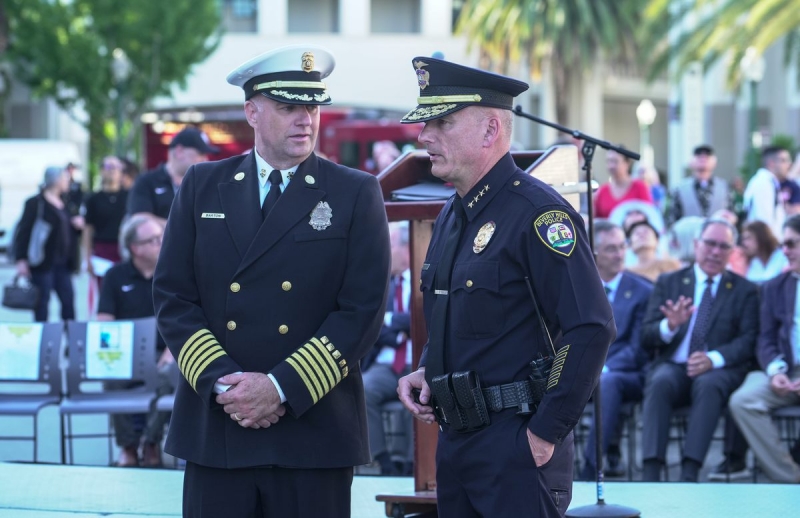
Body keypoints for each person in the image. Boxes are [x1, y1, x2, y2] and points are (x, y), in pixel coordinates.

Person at [152, 45, 391, 518]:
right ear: (252, 112)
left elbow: (362, 311)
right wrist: (227, 386)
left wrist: (280, 388)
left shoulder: (354, 191)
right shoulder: (202, 185)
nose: (305, 119)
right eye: (287, 107)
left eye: (312, 107)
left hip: (312, 427)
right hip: (219, 423)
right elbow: (173, 296)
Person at [395, 56, 614, 518]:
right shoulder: (452, 214)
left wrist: (544, 433)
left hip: (516, 444)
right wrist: (427, 368)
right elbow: (458, 316)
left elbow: (590, 327)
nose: (424, 136)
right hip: (457, 442)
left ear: (490, 129)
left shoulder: (539, 215)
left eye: (442, 123)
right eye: (426, 124)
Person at [639, 218, 759, 482]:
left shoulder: (745, 290)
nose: (715, 252)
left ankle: (690, 472)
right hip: (674, 366)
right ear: (696, 245)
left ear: (732, 251)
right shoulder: (669, 282)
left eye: (723, 246)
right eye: (710, 244)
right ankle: (651, 472)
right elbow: (646, 335)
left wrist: (713, 359)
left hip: (719, 370)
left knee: (708, 384)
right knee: (660, 381)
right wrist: (669, 326)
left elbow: (749, 340)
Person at [98, 215, 176, 468]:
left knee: (169, 375)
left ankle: (151, 442)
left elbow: (183, 318)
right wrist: (118, 355)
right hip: (126, 353)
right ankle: (128, 446)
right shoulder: (115, 276)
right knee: (111, 376)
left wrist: (171, 351)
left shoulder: (173, 274)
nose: (161, 243)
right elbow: (104, 321)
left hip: (164, 352)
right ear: (135, 248)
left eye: (162, 237)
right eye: (153, 240)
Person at [579, 221, 653, 481]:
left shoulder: (643, 292)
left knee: (607, 382)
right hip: (583, 372)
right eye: (612, 249)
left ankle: (590, 472)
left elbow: (638, 349)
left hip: (627, 375)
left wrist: (601, 368)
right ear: (594, 253)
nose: (620, 254)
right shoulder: (580, 288)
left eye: (623, 247)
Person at [729, 214, 800, 483]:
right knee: (743, 401)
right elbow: (765, 339)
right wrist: (775, 370)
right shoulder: (775, 287)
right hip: (786, 370)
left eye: (791, 244)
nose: (785, 251)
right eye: (783, 244)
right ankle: (791, 479)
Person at [363, 221, 412, 475]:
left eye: (390, 245)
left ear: (407, 248)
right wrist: (397, 334)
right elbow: (370, 323)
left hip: (416, 362)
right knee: (363, 389)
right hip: (385, 364)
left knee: (423, 391)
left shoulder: (424, 280)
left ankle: (412, 463)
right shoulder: (382, 285)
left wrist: (390, 319)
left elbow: (423, 319)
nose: (386, 251)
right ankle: (384, 461)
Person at [14, 167, 79, 322]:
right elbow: (23, 232)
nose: (67, 181)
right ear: (56, 180)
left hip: (63, 263)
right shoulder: (36, 203)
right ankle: (43, 335)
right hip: (42, 262)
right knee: (41, 303)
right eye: (65, 178)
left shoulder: (66, 203)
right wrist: (21, 259)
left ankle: (71, 335)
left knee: (68, 301)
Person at [126, 126, 219, 223]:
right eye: (201, 153)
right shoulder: (147, 182)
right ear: (179, 152)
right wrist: (181, 228)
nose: (205, 159)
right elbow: (140, 219)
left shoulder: (204, 185)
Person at [83, 156, 128, 286]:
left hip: (125, 249)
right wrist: (87, 258)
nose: (112, 170)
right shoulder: (93, 199)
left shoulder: (129, 196)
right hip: (102, 250)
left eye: (116, 167)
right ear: (102, 171)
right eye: (109, 167)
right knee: (105, 288)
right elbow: (88, 229)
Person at [667, 145, 732, 226]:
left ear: (715, 162)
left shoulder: (724, 187)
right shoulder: (679, 189)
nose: (703, 159)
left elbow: (732, 215)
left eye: (707, 156)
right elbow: (672, 220)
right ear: (691, 162)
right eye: (698, 156)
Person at [744, 145, 793, 238]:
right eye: (784, 160)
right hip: (765, 242)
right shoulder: (763, 184)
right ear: (771, 163)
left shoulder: (769, 182)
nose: (789, 164)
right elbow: (764, 221)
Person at [593, 149, 652, 218]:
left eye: (615, 161)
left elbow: (649, 213)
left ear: (627, 164)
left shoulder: (639, 187)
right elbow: (597, 219)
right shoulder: (603, 190)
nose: (611, 166)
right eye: (608, 161)